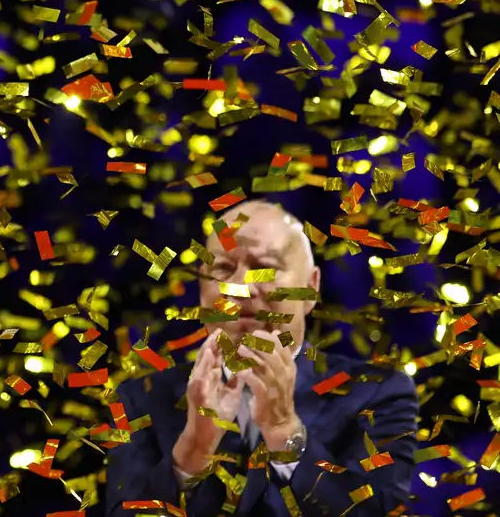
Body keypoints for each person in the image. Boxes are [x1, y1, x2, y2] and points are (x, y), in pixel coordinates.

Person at [105, 200, 418, 516]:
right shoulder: (138, 400)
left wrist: (285, 431)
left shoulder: (381, 393)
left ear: (311, 287)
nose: (240, 288)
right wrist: (193, 450)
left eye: (265, 268)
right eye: (223, 269)